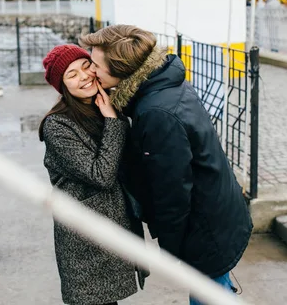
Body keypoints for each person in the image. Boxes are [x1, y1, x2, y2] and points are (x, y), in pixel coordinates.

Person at [80, 25, 253, 304]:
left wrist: (170, 251)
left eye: (96, 65)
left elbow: (172, 192)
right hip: (219, 211)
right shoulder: (163, 83)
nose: (91, 72)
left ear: (121, 71)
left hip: (206, 229)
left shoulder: (156, 113)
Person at [39, 44, 144, 305]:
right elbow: (101, 174)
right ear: (62, 87)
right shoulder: (58, 126)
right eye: (71, 75)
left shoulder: (108, 104)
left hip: (113, 230)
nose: (84, 77)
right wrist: (112, 121)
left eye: (86, 66)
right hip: (85, 241)